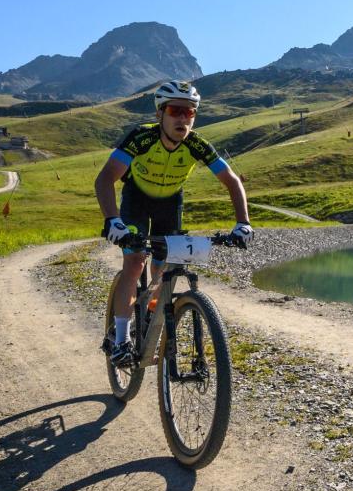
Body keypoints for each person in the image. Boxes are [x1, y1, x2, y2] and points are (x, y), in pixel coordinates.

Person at [94, 80, 253, 366]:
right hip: (136, 198)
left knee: (164, 265)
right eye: (175, 110)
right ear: (160, 114)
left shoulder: (196, 145)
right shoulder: (141, 138)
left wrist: (243, 223)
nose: (182, 117)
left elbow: (232, 181)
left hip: (170, 201)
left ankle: (150, 313)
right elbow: (105, 179)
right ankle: (120, 340)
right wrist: (113, 221)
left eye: (189, 112)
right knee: (135, 262)